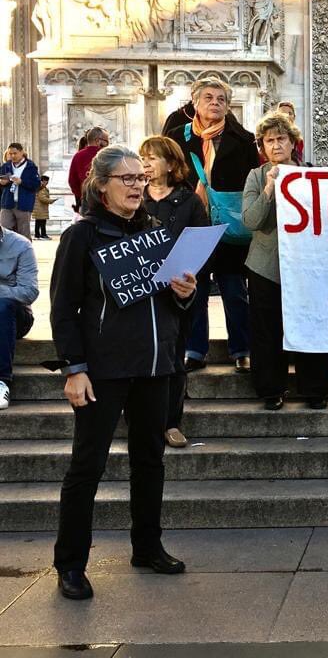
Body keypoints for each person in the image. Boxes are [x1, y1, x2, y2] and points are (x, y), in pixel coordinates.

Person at [50, 145, 198, 601]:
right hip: (104, 370)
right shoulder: (82, 237)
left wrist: (184, 291)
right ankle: (71, 563)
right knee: (87, 466)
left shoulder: (157, 230)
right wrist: (75, 369)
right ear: (101, 186)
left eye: (141, 177)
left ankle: (147, 546)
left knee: (150, 460)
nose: (138, 185)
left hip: (156, 365)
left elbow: (173, 303)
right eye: (128, 179)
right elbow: (62, 311)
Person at [242, 113, 328, 411]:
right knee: (267, 330)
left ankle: (314, 390)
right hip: (266, 267)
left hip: (307, 266)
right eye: (268, 140)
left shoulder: (313, 175)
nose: (274, 145)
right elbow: (251, 220)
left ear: (293, 143)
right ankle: (271, 389)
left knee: (311, 326)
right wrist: (271, 188)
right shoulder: (256, 176)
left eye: (280, 139)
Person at [168, 77, 257, 374]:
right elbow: (168, 176)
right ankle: (195, 350)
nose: (214, 103)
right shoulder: (176, 137)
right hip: (191, 221)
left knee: (234, 289)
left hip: (228, 225)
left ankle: (241, 349)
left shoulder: (243, 139)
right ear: (195, 102)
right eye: (208, 97)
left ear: (228, 105)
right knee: (196, 288)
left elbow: (250, 182)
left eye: (221, 98)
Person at [141, 136, 209, 447]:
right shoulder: (134, 197)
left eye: (153, 158)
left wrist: (187, 276)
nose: (147, 163)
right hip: (140, 292)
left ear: (170, 164)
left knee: (173, 357)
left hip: (177, 291)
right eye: (143, 157)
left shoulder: (188, 202)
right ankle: (137, 419)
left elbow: (202, 245)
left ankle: (171, 421)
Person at [0, 221, 37, 410]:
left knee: (2, 305)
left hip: (16, 316)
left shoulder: (20, 245)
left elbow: (29, 291)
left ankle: (1, 381)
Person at [0, 143, 41, 240]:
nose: (13, 156)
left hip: (23, 204)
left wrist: (22, 182)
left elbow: (36, 185)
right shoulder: (6, 166)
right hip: (7, 203)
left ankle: (25, 253)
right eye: (11, 154)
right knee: (4, 230)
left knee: (23, 233)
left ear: (22, 152)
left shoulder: (31, 166)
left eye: (15, 153)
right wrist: (2, 182)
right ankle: (6, 254)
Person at [68, 128, 110, 210]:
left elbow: (72, 181)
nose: (108, 144)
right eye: (106, 141)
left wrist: (81, 195)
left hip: (86, 201)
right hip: (106, 201)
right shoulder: (107, 156)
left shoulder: (77, 156)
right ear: (98, 141)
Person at [32, 175, 57, 239]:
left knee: (39, 222)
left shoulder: (41, 188)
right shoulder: (41, 188)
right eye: (45, 181)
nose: (47, 183)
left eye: (47, 181)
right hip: (40, 208)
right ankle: (42, 235)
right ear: (42, 181)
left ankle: (38, 235)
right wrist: (51, 201)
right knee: (42, 222)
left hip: (40, 208)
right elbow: (42, 198)